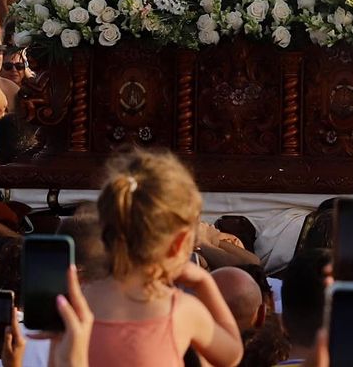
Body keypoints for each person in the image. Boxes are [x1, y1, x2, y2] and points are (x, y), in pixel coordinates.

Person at [83, 150, 244, 366]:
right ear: (179, 244)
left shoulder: (77, 301)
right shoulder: (180, 310)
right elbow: (232, 354)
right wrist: (205, 283)